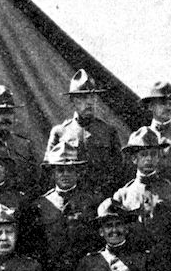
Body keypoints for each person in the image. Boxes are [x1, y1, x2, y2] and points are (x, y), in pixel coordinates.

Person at [114, 126, 171, 271]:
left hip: (167, 270)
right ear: (134, 159)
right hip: (134, 270)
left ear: (159, 158)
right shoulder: (123, 196)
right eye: (143, 155)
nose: (148, 159)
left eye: (153, 154)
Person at [29, 140, 101, 271]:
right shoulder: (41, 205)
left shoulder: (92, 202)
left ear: (78, 172)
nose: (65, 174)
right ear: (53, 173)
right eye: (60, 170)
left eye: (70, 169)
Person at [47, 69, 126, 198]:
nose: (89, 102)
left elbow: (119, 172)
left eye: (92, 96)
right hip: (70, 200)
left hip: (101, 199)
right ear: (73, 100)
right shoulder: (60, 132)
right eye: (83, 97)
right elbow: (49, 172)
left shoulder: (108, 131)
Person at [0, 85, 42, 195]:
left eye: (9, 112)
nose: (6, 117)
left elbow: (34, 183)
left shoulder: (24, 145)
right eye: (0, 112)